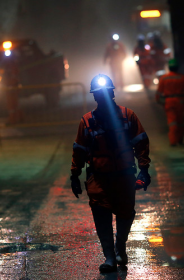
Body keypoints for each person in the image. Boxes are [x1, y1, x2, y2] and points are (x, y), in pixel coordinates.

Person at [70, 74, 151, 273]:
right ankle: (109, 257)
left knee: (125, 213)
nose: (104, 97)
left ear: (113, 93)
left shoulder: (128, 116)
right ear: (95, 97)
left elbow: (141, 143)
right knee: (100, 214)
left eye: (107, 93)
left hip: (124, 176)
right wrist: (74, 174)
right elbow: (79, 149)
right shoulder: (87, 121)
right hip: (98, 178)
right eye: (100, 94)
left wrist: (144, 169)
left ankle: (119, 248)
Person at [156, 59, 184, 146]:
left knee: (172, 121)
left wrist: (159, 100)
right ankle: (180, 139)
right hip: (180, 102)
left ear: (169, 68)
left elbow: (158, 93)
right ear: (177, 68)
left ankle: (173, 141)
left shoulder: (164, 78)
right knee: (180, 121)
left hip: (169, 102)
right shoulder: (182, 78)